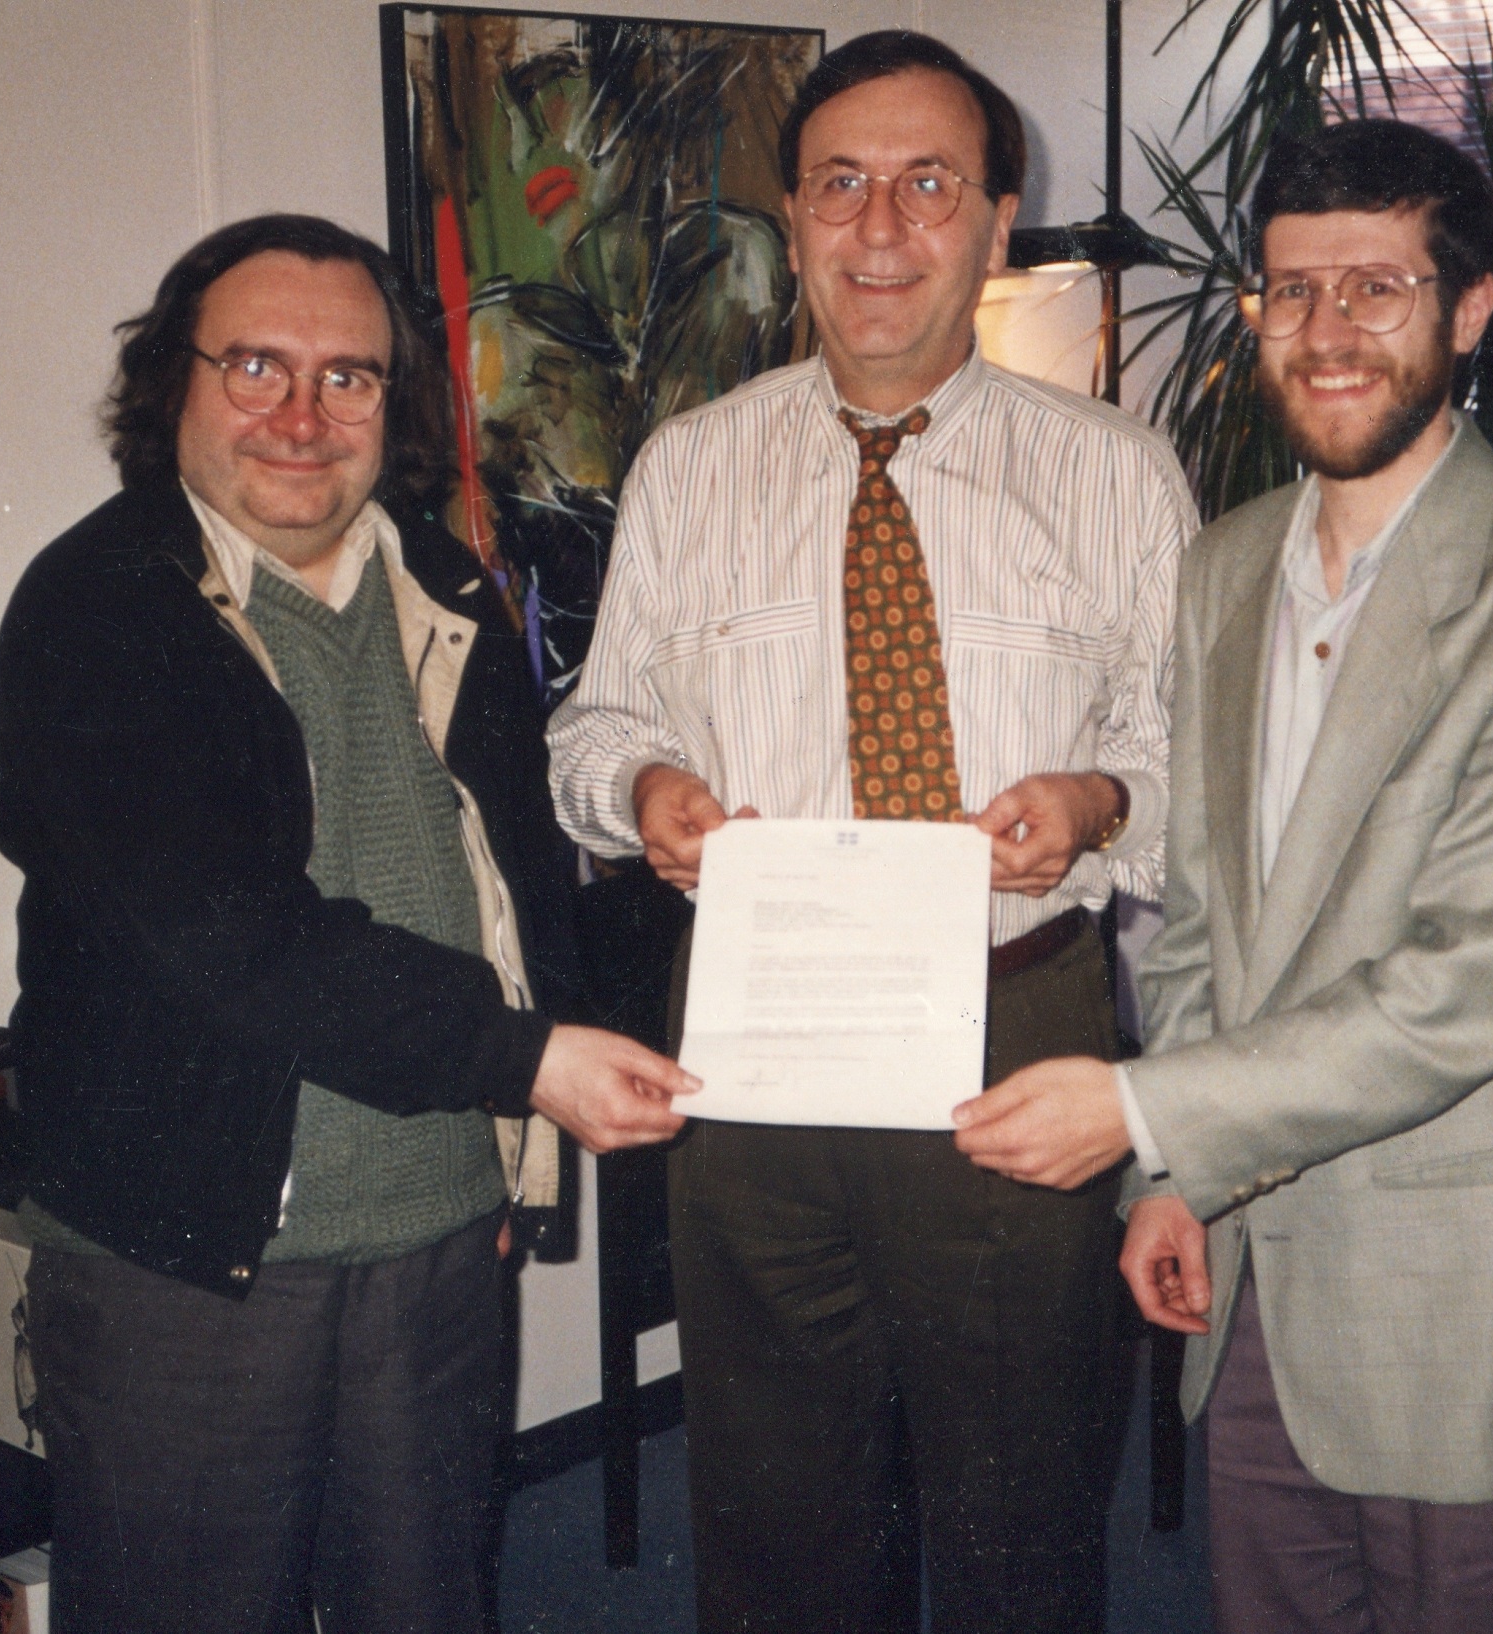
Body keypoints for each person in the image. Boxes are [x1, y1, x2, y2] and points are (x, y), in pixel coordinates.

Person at [991, 119, 1493, 1632]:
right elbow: (1192, 910)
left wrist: (1137, 1111)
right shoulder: (1223, 562)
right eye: (1291, 291)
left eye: (1375, 288)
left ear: (1472, 305)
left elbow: (1468, 989)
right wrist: (1177, 1173)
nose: (1326, 334)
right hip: (1248, 1289)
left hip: (1469, 1313)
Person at [546, 29, 1197, 1634]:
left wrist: (1095, 800)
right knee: (774, 1507)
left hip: (1012, 1027)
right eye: (842, 184)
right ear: (793, 214)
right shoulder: (692, 470)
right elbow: (596, 726)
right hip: (758, 1043)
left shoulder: (1117, 473)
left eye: (929, 184)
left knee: (1023, 1499)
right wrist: (644, 796)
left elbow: (1187, 756)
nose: (883, 225)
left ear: (995, 218)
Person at [0, 214, 697, 1634]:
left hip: (438, 1246)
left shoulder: (446, 585)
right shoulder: (96, 607)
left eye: (349, 377)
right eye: (257, 366)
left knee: (425, 1606)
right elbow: (227, 936)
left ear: (396, 401)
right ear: (170, 386)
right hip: (184, 1268)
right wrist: (526, 1061)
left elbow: (510, 880)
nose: (303, 417)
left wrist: (511, 1155)